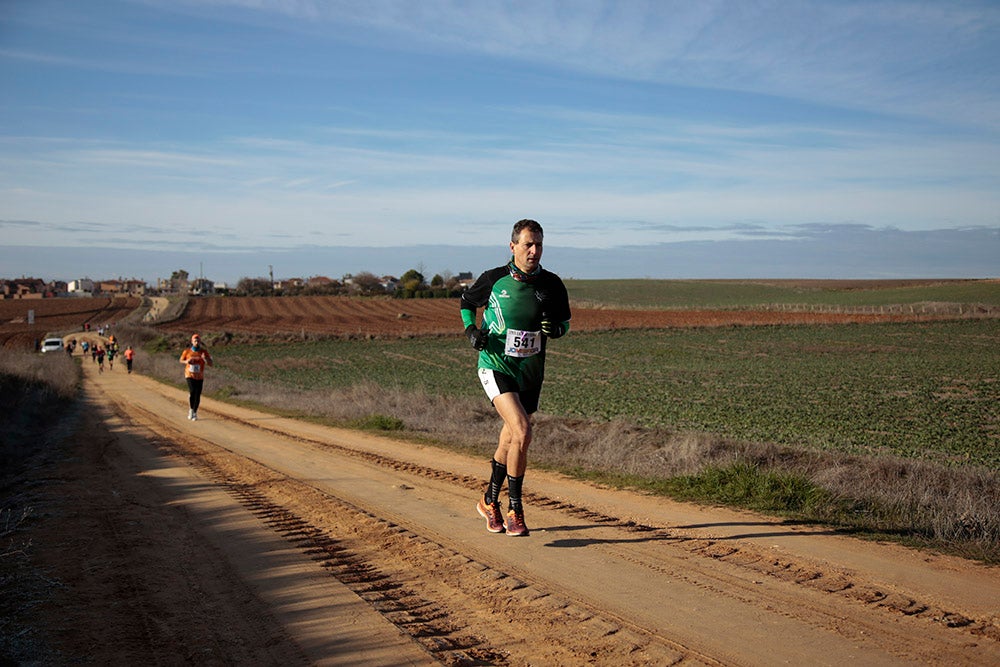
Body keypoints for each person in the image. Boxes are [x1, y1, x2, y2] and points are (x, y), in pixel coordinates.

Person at [460, 219, 571, 536]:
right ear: (513, 247)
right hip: (495, 365)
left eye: (538, 245)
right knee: (522, 430)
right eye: (528, 244)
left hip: (530, 372)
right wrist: (471, 330)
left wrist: (556, 330)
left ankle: (488, 501)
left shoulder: (551, 284)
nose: (534, 250)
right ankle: (515, 510)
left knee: (510, 437)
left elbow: (563, 323)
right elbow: (467, 302)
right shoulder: (494, 279)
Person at [179, 333, 213, 421]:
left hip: (200, 376)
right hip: (189, 375)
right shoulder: (187, 351)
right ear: (192, 342)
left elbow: (211, 364)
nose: (196, 342)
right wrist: (187, 361)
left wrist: (205, 359)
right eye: (195, 341)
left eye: (198, 340)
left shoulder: (204, 352)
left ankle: (194, 412)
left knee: (197, 395)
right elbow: (181, 360)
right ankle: (191, 410)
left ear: (200, 341)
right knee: (192, 391)